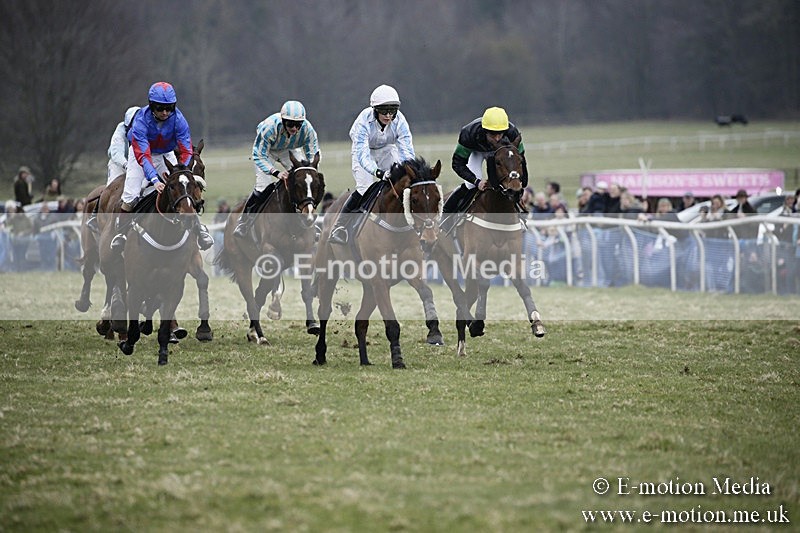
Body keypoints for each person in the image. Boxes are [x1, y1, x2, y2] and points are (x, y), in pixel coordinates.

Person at [110, 82, 213, 253]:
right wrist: (154, 179)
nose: (165, 113)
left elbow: (186, 149)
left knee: (184, 187)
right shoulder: (141, 121)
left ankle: (199, 229)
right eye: (160, 108)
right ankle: (121, 233)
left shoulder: (179, 120)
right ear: (152, 106)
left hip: (166, 153)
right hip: (141, 155)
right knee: (131, 194)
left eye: (169, 108)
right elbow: (144, 155)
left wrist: (184, 169)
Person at [329, 85, 414, 244]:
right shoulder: (363, 121)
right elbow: (362, 155)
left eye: (392, 111)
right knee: (364, 188)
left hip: (387, 150)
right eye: (384, 111)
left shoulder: (400, 120)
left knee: (403, 182)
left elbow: (407, 150)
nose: (388, 116)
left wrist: (409, 170)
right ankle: (340, 227)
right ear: (375, 109)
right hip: (364, 151)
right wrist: (378, 173)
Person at [233, 100, 320, 239]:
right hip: (266, 153)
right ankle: (244, 221)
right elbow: (258, 155)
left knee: (303, 182)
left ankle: (310, 221)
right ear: (283, 121)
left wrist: (310, 172)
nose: (294, 129)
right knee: (263, 186)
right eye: (290, 124)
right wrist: (276, 173)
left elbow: (313, 154)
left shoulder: (308, 130)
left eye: (298, 125)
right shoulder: (269, 128)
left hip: (289, 149)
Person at [439, 106, 528, 232]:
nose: (497, 138)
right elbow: (457, 164)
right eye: (492, 134)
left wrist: (522, 184)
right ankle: (447, 214)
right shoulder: (469, 134)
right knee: (470, 185)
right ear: (484, 130)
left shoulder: (512, 133)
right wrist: (476, 182)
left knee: (508, 183)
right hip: (476, 151)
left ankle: (521, 215)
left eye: (500, 133)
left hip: (500, 154)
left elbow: (521, 161)